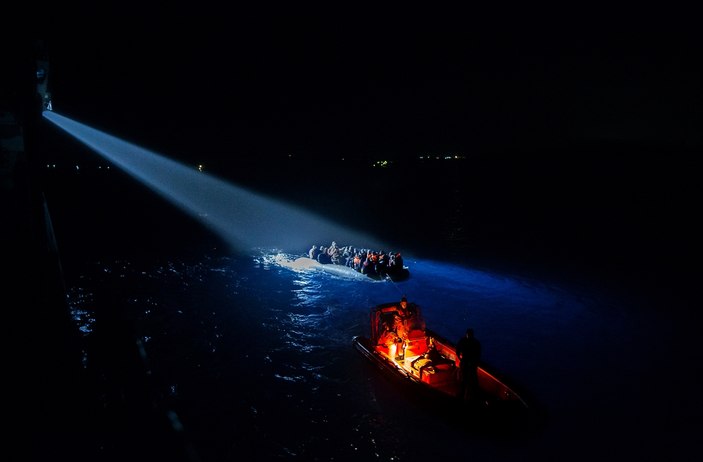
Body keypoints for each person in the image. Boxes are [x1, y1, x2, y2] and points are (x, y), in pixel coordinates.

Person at [455, 328, 481, 401]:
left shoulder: (463, 341)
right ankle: (470, 395)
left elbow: (457, 350)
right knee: (470, 379)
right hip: (471, 364)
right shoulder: (476, 342)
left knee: (465, 379)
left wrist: (460, 358)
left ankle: (464, 395)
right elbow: (478, 354)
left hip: (467, 363)